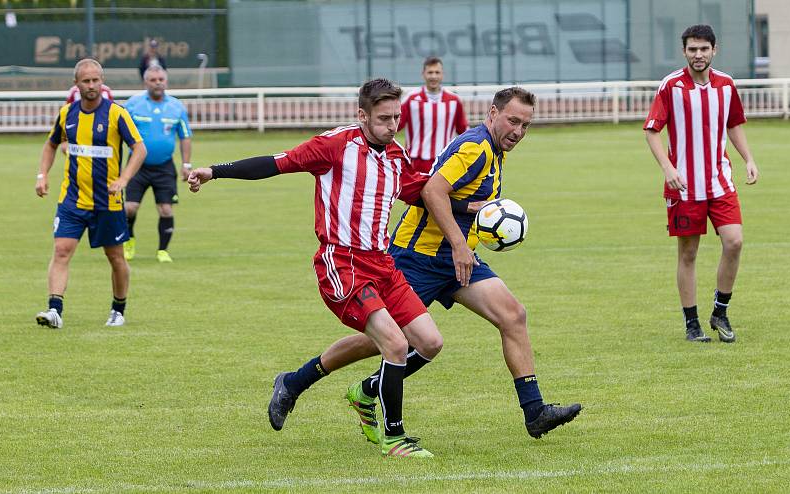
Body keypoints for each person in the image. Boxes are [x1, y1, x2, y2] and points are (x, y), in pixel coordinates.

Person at [267, 87, 582, 445]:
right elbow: (432, 191)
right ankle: (295, 382)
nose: (518, 131)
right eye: (513, 120)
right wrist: (461, 245)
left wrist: (471, 235)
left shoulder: (495, 151)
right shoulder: (474, 147)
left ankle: (534, 411)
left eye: (526, 125)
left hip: (456, 260)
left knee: (513, 315)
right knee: (384, 341)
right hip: (418, 257)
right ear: (493, 114)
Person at [187, 78, 441, 458]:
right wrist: (214, 171)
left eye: (397, 117)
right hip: (343, 263)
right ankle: (394, 437)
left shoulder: (395, 156)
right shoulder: (335, 146)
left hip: (384, 264)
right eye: (384, 118)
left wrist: (471, 204)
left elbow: (418, 191)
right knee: (395, 343)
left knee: (430, 342)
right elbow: (275, 163)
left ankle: (315, 385)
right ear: (362, 115)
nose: (392, 125)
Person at [644, 24, 759, 343]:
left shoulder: (726, 84)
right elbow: (652, 131)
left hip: (720, 181)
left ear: (714, 50)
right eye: (692, 49)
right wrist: (668, 168)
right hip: (684, 187)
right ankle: (691, 323)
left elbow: (734, 123)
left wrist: (748, 158)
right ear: (684, 52)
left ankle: (720, 311)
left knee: (734, 241)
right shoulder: (671, 86)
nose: (698, 54)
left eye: (703, 49)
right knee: (689, 253)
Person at [35, 58, 147, 329]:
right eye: (86, 81)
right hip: (72, 199)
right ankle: (55, 309)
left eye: (96, 80)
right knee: (62, 250)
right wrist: (42, 175)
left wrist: (124, 178)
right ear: (76, 84)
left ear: (102, 81)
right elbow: (51, 145)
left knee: (115, 257)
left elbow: (139, 149)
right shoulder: (67, 114)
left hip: (107, 201)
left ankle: (118, 309)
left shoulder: (117, 114)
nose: (92, 85)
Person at [123, 65, 193, 263]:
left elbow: (185, 137)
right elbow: (119, 134)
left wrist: (186, 164)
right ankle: (129, 241)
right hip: (137, 166)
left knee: (166, 209)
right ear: (146, 82)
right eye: (153, 80)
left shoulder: (176, 107)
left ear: (166, 81)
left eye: (161, 79)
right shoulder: (133, 104)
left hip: (164, 166)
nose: (158, 83)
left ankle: (163, 250)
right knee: (129, 208)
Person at [399, 56, 468, 173]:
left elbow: (463, 130)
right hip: (416, 161)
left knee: (441, 192)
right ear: (423, 74)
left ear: (442, 74)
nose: (434, 76)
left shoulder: (454, 100)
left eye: (437, 72)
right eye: (430, 72)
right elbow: (396, 125)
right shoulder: (411, 99)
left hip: (444, 160)